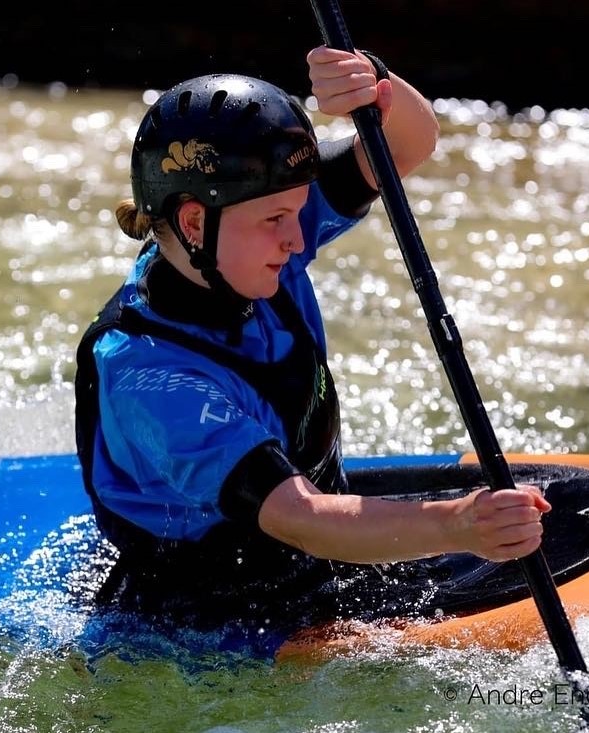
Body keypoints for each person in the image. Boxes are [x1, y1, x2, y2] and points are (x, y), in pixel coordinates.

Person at [73, 47, 550, 642]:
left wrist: (373, 87)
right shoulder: (150, 379)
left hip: (314, 550)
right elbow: (302, 517)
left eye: (299, 211)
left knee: (585, 507)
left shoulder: (240, 244)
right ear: (194, 223)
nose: (299, 238)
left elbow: (407, 145)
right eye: (276, 219)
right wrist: (461, 525)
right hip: (227, 611)